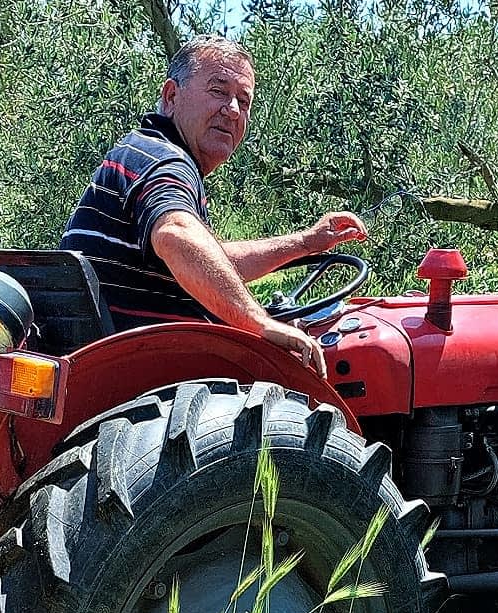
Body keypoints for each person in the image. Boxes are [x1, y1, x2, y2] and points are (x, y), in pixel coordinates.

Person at [61, 36, 364, 375]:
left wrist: (305, 243)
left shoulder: (141, 154)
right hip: (150, 375)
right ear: (172, 96)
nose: (232, 110)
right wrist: (258, 322)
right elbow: (177, 236)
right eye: (219, 91)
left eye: (244, 101)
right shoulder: (164, 161)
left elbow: (205, 261)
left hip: (125, 365)